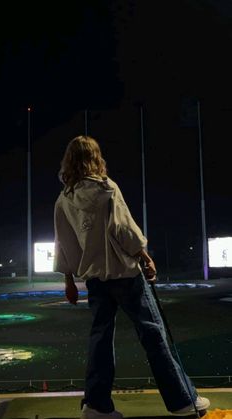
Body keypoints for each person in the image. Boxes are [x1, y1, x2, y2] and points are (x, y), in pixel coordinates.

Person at [53, 135, 210, 419]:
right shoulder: (107, 189)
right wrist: (145, 256)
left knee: (100, 339)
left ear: (70, 161)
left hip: (96, 280)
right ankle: (183, 401)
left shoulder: (64, 200)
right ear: (95, 157)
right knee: (153, 335)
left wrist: (68, 282)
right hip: (125, 275)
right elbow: (124, 231)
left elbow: (64, 245)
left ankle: (96, 406)